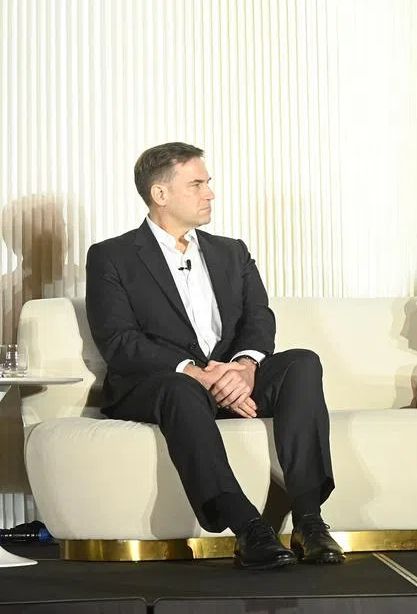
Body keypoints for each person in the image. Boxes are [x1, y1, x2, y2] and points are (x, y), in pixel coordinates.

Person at [85, 143, 344, 569]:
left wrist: (243, 367)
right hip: (161, 385)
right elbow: (119, 341)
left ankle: (309, 522)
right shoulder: (112, 256)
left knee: (303, 362)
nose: (210, 193)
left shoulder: (231, 251)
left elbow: (260, 319)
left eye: (208, 183)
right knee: (179, 389)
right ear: (160, 194)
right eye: (197, 184)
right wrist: (199, 374)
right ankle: (248, 528)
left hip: (230, 375)